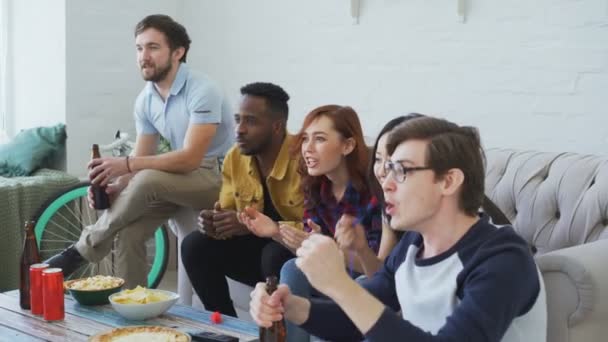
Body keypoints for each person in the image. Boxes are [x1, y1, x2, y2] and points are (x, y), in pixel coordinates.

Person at [249, 116, 547, 342]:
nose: (386, 183)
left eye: (401, 170)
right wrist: (289, 306)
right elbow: (356, 318)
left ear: (449, 181)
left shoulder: (503, 258)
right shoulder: (414, 245)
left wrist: (338, 284)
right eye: (386, 168)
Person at [45, 14, 234, 288]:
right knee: (130, 233)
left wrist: (127, 165)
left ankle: (82, 249)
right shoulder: (146, 99)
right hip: (177, 178)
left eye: (153, 47)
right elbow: (140, 163)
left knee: (146, 178)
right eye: (139, 48)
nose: (144, 56)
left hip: (219, 177)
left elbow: (191, 158)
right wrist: (117, 186)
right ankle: (132, 308)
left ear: (178, 52)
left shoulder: (203, 90)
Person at [240, 105, 383, 341]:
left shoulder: (373, 191)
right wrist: (275, 231)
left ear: (348, 145)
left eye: (319, 139)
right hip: (330, 273)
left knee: (362, 282)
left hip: (363, 279)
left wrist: (326, 248)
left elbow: (376, 270)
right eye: (305, 139)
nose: (307, 148)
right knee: (292, 267)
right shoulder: (317, 186)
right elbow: (311, 246)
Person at [181, 82, 303, 317]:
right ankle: (226, 330)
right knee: (195, 244)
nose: (239, 129)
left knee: (274, 254)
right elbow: (228, 212)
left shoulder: (303, 159)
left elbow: (314, 231)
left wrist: (252, 226)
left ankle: (277, 332)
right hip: (255, 251)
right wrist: (215, 223)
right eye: (238, 120)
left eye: (251, 121)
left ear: (277, 127)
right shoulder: (235, 157)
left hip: (294, 253)